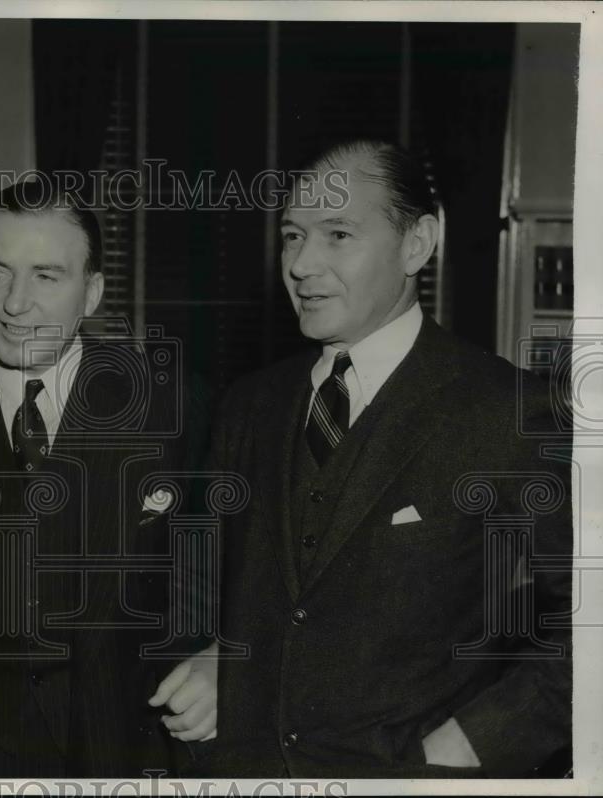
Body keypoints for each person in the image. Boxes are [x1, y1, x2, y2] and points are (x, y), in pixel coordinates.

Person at [198, 140, 571, 778]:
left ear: (416, 245)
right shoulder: (248, 405)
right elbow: (199, 579)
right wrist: (210, 655)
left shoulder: (507, 411)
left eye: (337, 234)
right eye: (292, 235)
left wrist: (477, 742)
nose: (302, 264)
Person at [0, 179, 216, 777]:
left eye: (47, 276)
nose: (15, 303)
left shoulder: (172, 408)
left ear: (91, 293)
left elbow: (232, 575)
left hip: (126, 752)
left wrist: (220, 659)